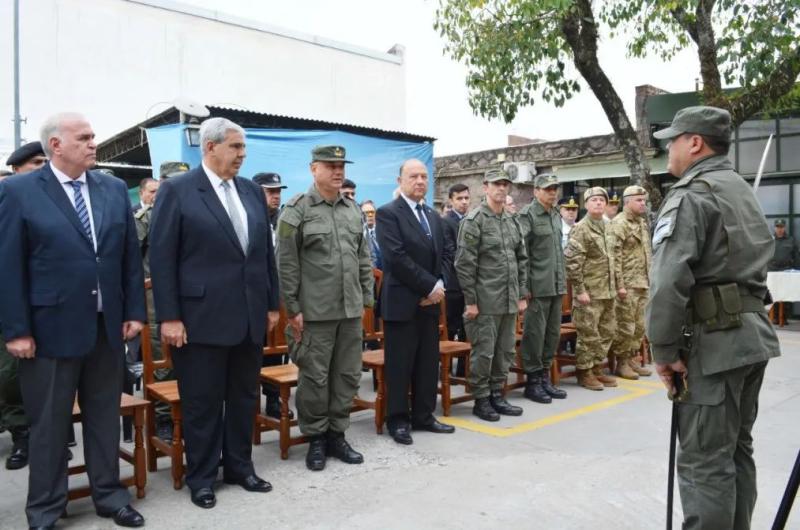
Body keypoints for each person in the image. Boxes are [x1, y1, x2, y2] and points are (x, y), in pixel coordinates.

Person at [0, 112, 147, 529]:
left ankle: (109, 496)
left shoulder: (113, 188)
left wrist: (134, 310)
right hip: (47, 333)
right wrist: (17, 330)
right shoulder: (20, 191)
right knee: (49, 424)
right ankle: (45, 509)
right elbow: (8, 266)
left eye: (93, 136)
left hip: (105, 328)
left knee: (104, 416)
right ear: (56, 145)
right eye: (83, 138)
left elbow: (127, 259)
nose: (93, 143)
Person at [647, 106, 781, 530]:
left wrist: (664, 350)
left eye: (673, 139)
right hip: (750, 337)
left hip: (715, 344)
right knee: (736, 451)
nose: (668, 148)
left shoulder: (692, 194)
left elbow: (669, 281)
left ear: (695, 143)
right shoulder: (739, 189)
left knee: (705, 462)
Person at [150, 117, 279, 509]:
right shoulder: (178, 191)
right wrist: (169, 317)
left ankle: (239, 466)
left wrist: (272, 303)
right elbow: (162, 257)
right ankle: (202, 476)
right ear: (210, 147)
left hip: (248, 315)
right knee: (203, 402)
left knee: (243, 397)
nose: (242, 154)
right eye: (236, 147)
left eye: (243, 148)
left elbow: (263, 255)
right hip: (200, 318)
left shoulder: (252, 192)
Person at [276, 145, 373, 471]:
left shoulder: (352, 210)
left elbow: (363, 258)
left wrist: (366, 301)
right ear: (313, 169)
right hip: (314, 313)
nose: (338, 171)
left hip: (349, 311)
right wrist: (293, 309)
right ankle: (315, 438)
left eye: (341, 165)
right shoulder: (296, 211)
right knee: (315, 379)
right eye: (330, 165)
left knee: (346, 376)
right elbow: (286, 264)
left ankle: (337, 434)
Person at [376, 159, 455, 445]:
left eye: (424, 176)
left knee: (426, 362)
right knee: (400, 364)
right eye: (413, 176)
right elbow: (395, 258)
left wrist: (440, 285)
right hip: (402, 302)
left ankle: (424, 414)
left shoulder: (433, 216)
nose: (420, 181)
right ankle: (397, 420)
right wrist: (428, 285)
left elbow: (447, 253)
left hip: (431, 302)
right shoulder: (388, 214)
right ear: (400, 180)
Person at [456, 169, 528, 421]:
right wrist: (471, 301)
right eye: (496, 184)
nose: (501, 189)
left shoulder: (511, 220)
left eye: (505, 185)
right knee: (484, 352)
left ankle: (498, 394)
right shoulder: (474, 221)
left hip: (508, 298)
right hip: (485, 300)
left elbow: (521, 259)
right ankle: (481, 398)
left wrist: (521, 294)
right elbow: (464, 264)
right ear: (485, 187)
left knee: (505, 350)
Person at [0, 142, 49, 472]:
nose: (43, 168)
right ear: (16, 170)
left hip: (20, 307)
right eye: (35, 163)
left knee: (11, 376)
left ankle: (24, 437)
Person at [517, 175, 568, 403]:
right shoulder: (527, 215)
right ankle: (533, 381)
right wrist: (524, 287)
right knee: (534, 335)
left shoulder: (555, 214)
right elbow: (522, 253)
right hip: (537, 287)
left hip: (555, 284)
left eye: (555, 189)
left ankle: (545, 376)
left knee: (552, 334)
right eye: (548, 189)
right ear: (536, 191)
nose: (552, 193)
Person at [565, 187, 620, 391]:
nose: (598, 203)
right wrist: (580, 290)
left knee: (607, 331)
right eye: (594, 200)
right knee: (589, 334)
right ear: (586, 204)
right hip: (589, 291)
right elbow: (572, 262)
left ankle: (597, 368)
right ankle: (584, 372)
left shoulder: (609, 227)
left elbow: (614, 259)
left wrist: (617, 285)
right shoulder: (581, 228)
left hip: (608, 290)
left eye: (601, 200)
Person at [251, 171, 293, 420]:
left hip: (280, 297)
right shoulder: (247, 217)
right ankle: (249, 403)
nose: (276, 196)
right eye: (270, 191)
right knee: (252, 353)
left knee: (277, 352)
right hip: (254, 296)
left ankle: (274, 399)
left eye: (278, 191)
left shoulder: (284, 220)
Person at [607, 186, 653, 380]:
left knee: (640, 325)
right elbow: (613, 257)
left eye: (644, 200)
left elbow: (647, 252)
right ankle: (622, 362)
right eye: (639, 200)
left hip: (642, 281)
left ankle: (633, 358)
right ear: (627, 202)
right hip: (626, 283)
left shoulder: (641, 223)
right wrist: (619, 285)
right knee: (626, 326)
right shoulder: (619, 223)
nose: (643, 203)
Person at [442, 183, 470, 344]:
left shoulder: (471, 220)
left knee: (467, 329)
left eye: (466, 198)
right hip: (453, 284)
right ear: (451, 200)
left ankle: (462, 369)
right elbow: (451, 252)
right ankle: (447, 368)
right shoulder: (446, 222)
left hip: (468, 284)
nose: (464, 201)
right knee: (451, 327)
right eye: (459, 198)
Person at [361, 200, 382, 270]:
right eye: (366, 213)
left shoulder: (384, 231)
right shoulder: (359, 234)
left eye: (372, 212)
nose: (370, 215)